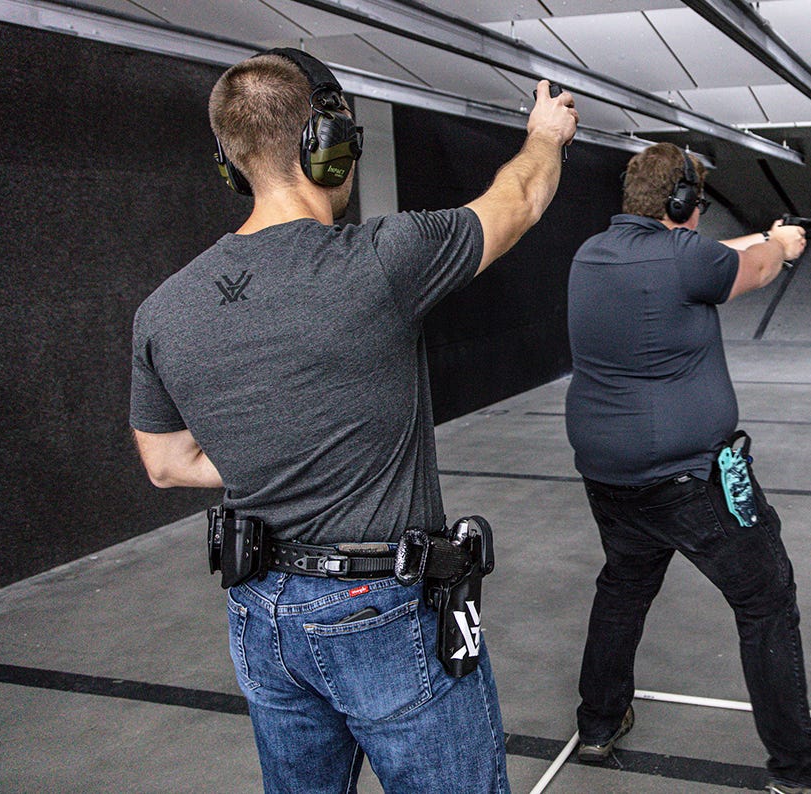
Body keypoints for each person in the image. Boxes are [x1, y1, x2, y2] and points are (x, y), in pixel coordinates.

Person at [129, 48, 577, 793]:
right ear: (326, 145)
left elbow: (167, 463)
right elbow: (521, 200)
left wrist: (272, 446)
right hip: (381, 609)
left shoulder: (163, 309)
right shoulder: (379, 259)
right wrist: (545, 136)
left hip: (258, 611)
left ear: (232, 161)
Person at [564, 143, 811, 794]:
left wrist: (762, 233)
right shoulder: (686, 259)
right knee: (767, 601)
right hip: (688, 479)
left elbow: (705, 257)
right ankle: (800, 773)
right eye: (697, 206)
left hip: (610, 477)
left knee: (623, 588)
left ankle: (597, 723)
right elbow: (755, 268)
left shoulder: (591, 254)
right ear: (683, 205)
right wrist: (782, 245)